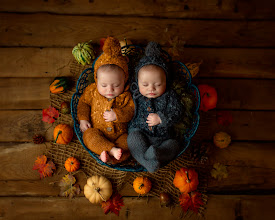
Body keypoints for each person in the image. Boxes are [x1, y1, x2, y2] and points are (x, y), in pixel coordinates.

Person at [127, 41, 183, 173]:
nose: (151, 89)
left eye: (157, 84)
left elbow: (178, 112)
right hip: (141, 134)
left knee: (174, 145)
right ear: (137, 83)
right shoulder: (135, 95)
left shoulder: (169, 95)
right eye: (145, 85)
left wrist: (161, 118)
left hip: (162, 139)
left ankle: (155, 155)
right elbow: (126, 108)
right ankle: (147, 161)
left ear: (166, 82)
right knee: (132, 139)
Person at [77, 37, 135, 164]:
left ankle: (108, 158)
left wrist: (118, 115)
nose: (110, 89)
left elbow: (131, 110)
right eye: (104, 85)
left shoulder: (126, 95)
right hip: (98, 132)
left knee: (129, 143)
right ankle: (110, 151)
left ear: (124, 80)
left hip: (120, 135)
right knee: (88, 136)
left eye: (116, 85)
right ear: (97, 80)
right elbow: (83, 103)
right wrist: (83, 119)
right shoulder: (92, 91)